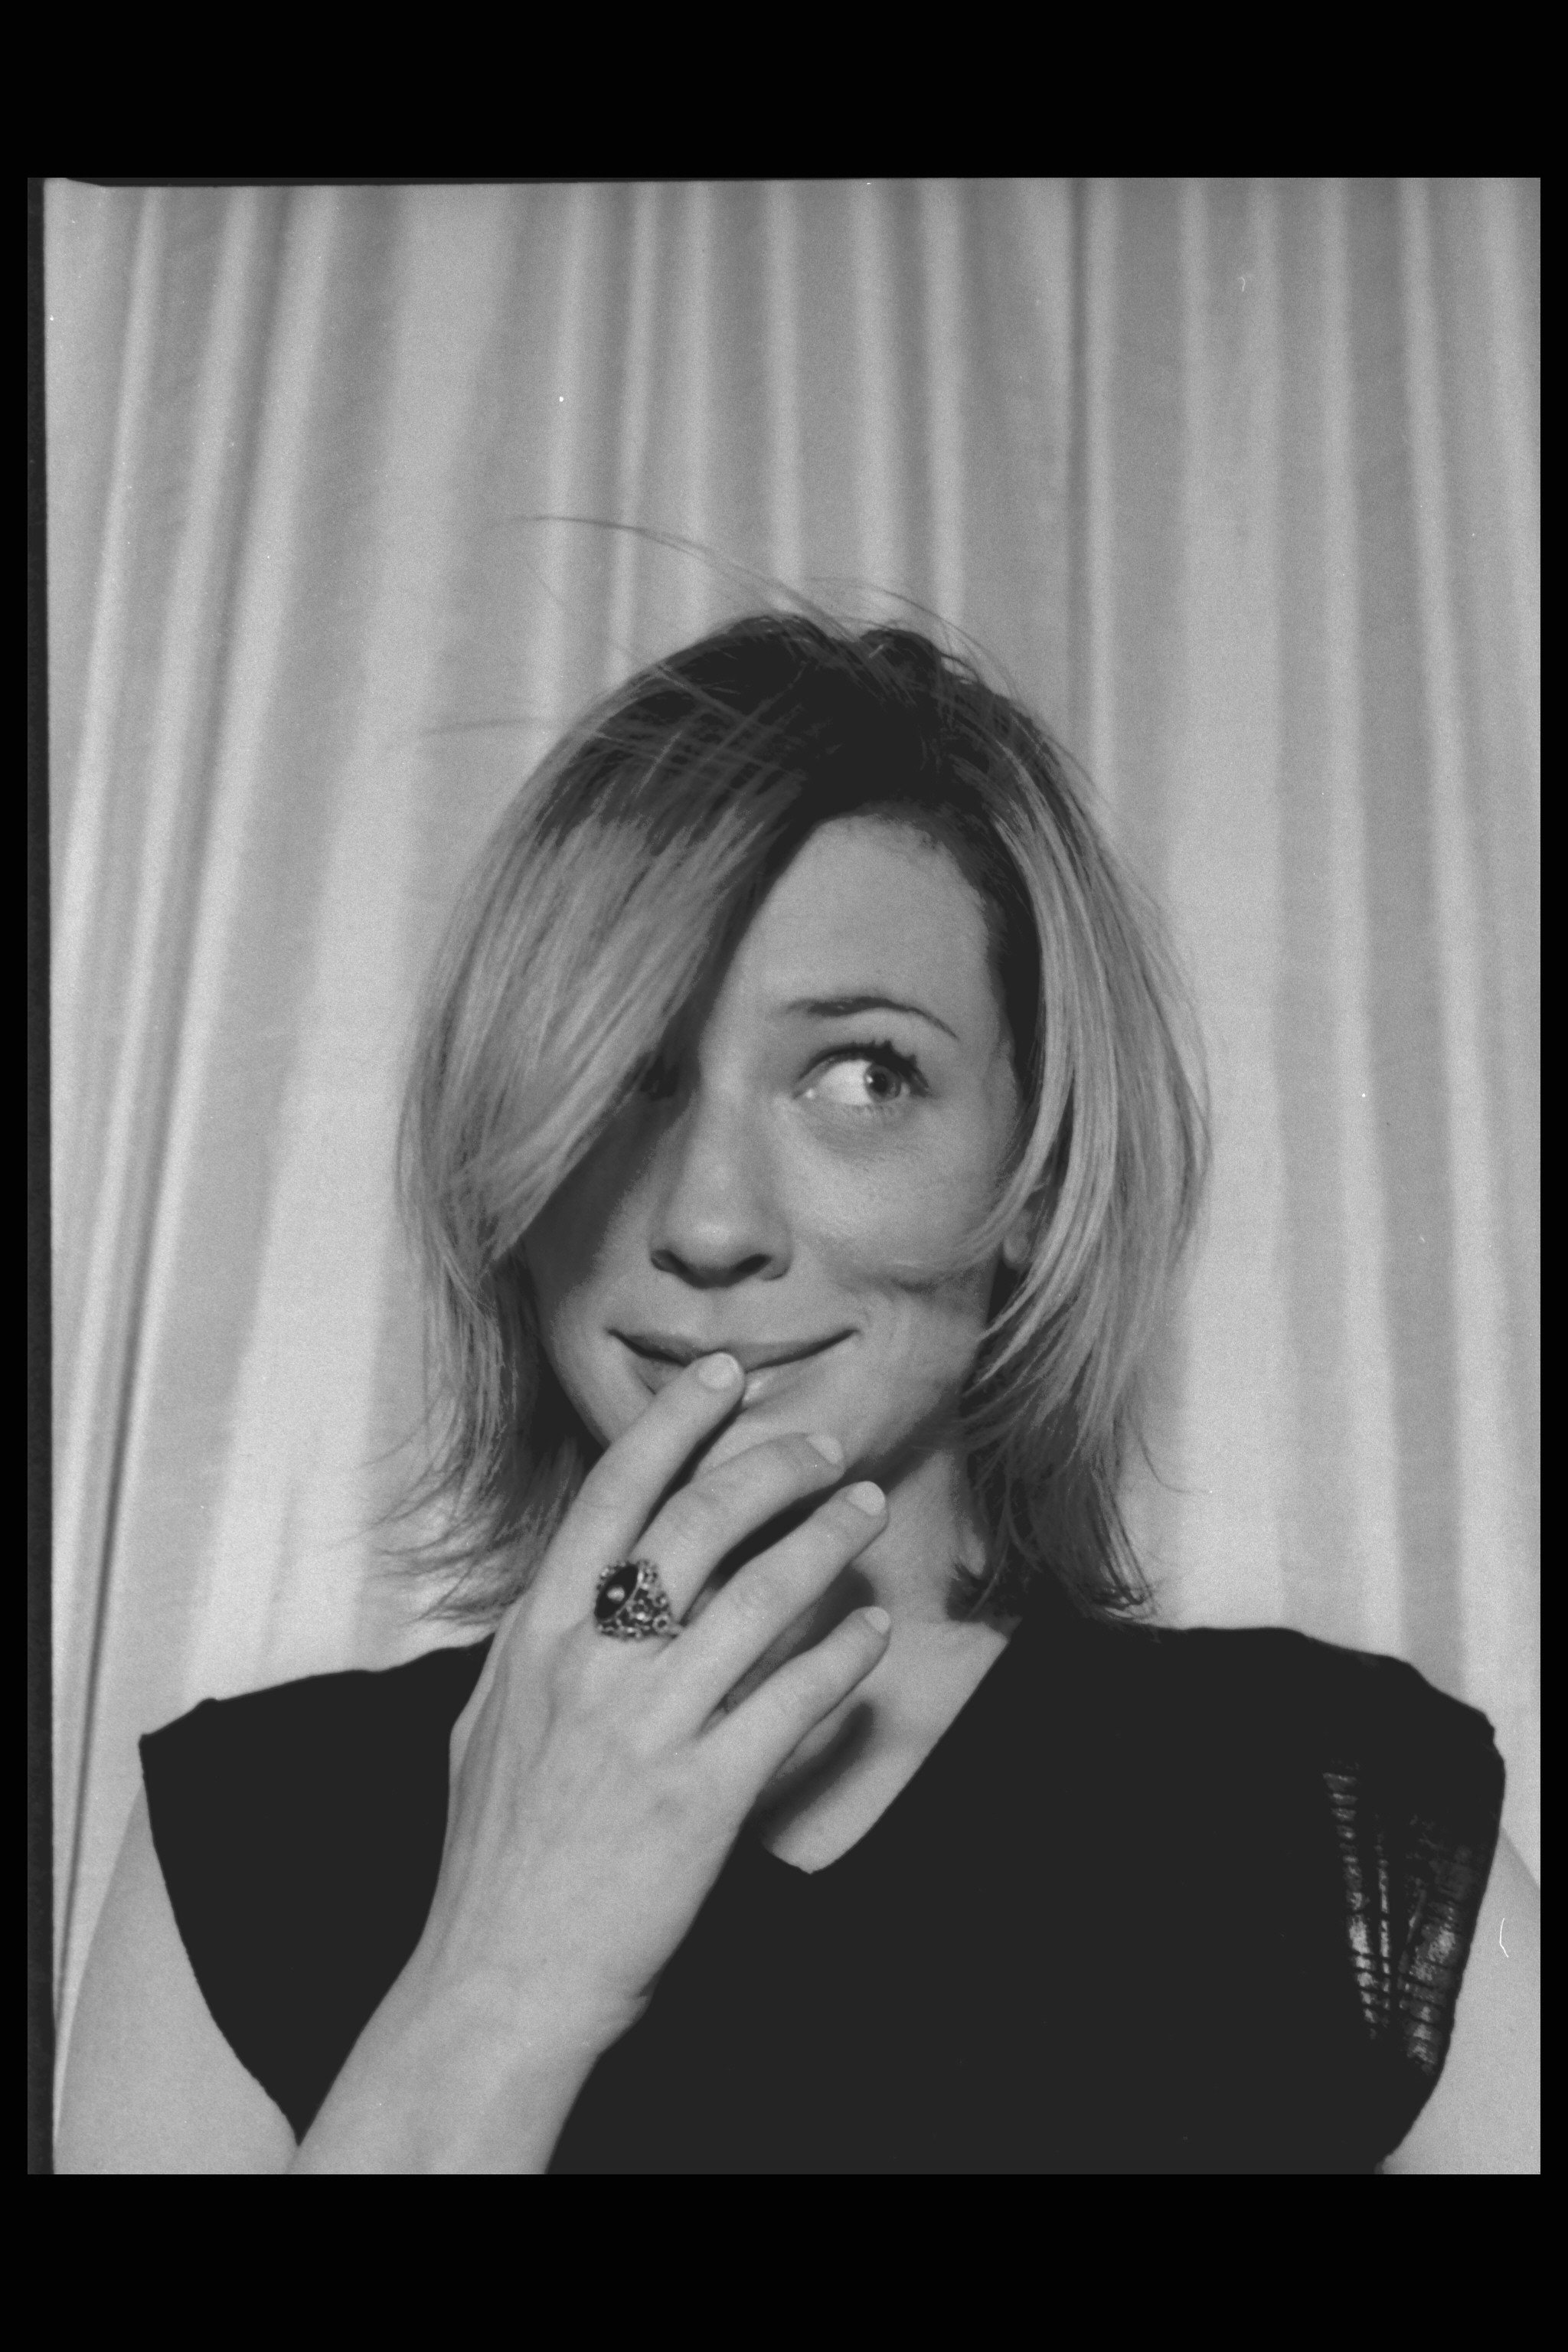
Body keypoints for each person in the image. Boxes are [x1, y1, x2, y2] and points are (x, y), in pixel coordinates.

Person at [57, 613, 1539, 2174]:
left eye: (864, 1076)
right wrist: (492, 1989)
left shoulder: (1332, 1819)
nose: (711, 1222)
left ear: (1035, 1167)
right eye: (629, 1073)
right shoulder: (254, 1835)